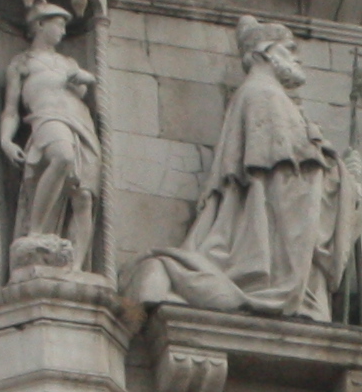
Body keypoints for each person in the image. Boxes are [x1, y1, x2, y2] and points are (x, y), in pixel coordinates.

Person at [134, 18, 350, 316]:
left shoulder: (259, 94)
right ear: (266, 52)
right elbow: (288, 179)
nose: (297, 58)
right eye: (289, 49)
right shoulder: (266, 95)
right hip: (270, 245)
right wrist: (340, 174)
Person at [2, 2, 102, 269]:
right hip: (47, 118)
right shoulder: (23, 63)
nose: (63, 31)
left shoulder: (69, 63)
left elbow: (90, 101)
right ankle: (35, 232)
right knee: (62, 156)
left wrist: (88, 80)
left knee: (83, 196)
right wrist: (6, 140)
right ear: (40, 25)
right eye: (58, 24)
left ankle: (75, 266)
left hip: (81, 122)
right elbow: (11, 110)